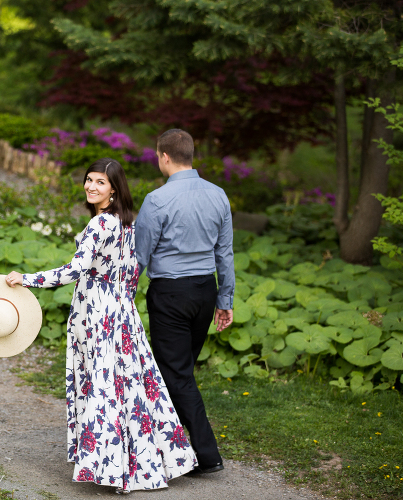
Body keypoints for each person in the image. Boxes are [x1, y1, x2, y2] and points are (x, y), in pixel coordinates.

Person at [5, 158, 197, 493]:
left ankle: (110, 466)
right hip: (122, 311)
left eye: (100, 183)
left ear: (114, 189)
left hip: (97, 313)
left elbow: (74, 270)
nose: (92, 187)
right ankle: (148, 464)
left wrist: (28, 279)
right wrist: (122, 299)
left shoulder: (99, 226)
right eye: (89, 180)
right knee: (131, 384)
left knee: (104, 385)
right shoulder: (130, 223)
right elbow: (133, 271)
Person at [134, 129, 234, 475]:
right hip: (205, 292)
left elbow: (139, 255)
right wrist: (226, 297)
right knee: (177, 371)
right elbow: (225, 252)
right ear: (190, 155)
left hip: (171, 295)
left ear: (163, 156)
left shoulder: (157, 200)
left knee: (176, 375)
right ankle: (169, 447)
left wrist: (121, 293)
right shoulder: (219, 195)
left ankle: (207, 455)